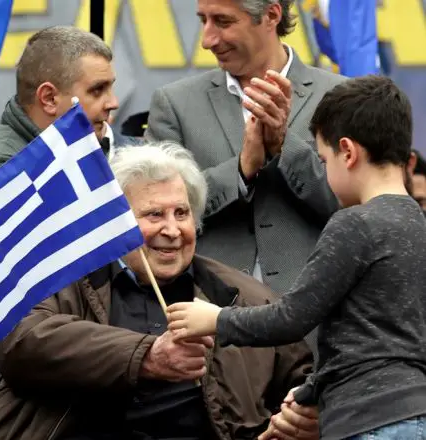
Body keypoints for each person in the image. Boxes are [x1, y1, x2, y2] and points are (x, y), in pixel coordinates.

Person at [0, 142, 318, 440]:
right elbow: (19, 342)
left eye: (181, 213)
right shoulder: (64, 276)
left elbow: (301, 379)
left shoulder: (242, 296)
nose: (172, 229)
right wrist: (147, 356)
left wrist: (304, 414)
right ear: (116, 226)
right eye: (153, 215)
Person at [167, 76, 426, 440]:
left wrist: (217, 319)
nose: (324, 170)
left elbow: (291, 318)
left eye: (323, 159)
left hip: (367, 420)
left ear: (348, 153)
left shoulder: (352, 223)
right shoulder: (418, 222)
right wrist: (310, 392)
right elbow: (372, 335)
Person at [145, 0, 343, 296]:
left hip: (315, 320)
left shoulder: (340, 96)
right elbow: (152, 210)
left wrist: (283, 146)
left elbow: (355, 209)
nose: (207, 40)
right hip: (208, 317)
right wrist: (240, 170)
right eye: (203, 20)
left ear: (271, 15)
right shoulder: (174, 104)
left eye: (223, 22)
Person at [0, 25, 120, 194]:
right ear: (49, 98)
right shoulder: (0, 168)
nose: (113, 103)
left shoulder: (82, 144)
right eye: (97, 90)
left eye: (110, 88)